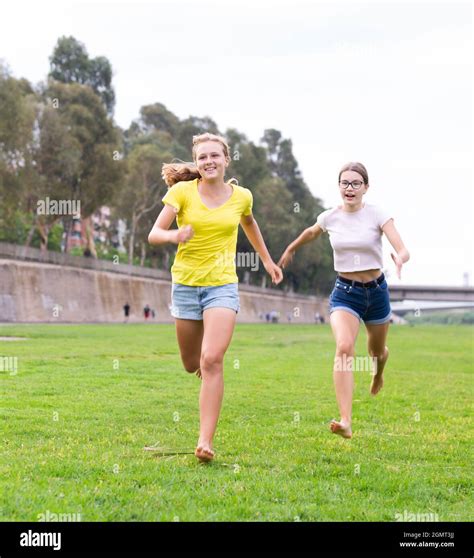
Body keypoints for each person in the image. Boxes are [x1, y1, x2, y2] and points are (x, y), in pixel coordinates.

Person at [148, 133, 282, 461]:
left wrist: (266, 260)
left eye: (215, 156)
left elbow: (250, 224)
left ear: (226, 160)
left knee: (212, 359)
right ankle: (202, 369)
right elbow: (153, 234)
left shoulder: (242, 197)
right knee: (191, 363)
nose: (209, 161)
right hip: (185, 285)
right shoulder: (181, 192)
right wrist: (174, 235)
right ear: (197, 163)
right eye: (203, 157)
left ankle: (205, 441)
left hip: (222, 286)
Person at [278, 162, 409, 439]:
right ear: (339, 186)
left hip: (376, 292)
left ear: (366, 187)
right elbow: (311, 232)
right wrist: (291, 248)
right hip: (345, 292)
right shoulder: (330, 217)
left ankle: (378, 371)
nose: (349, 188)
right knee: (344, 347)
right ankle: (346, 420)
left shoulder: (378, 214)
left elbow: (402, 247)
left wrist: (400, 258)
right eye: (345, 183)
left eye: (355, 183)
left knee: (376, 351)